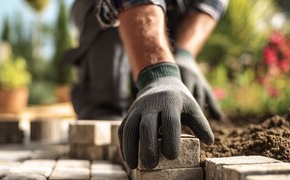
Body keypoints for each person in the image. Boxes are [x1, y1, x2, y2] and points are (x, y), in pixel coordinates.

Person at [65, 0, 229, 169]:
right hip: (104, 11)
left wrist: (183, 54)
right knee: (107, 108)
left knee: (156, 116)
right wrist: (158, 71)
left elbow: (211, 5)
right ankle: (108, 103)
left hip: (171, 14)